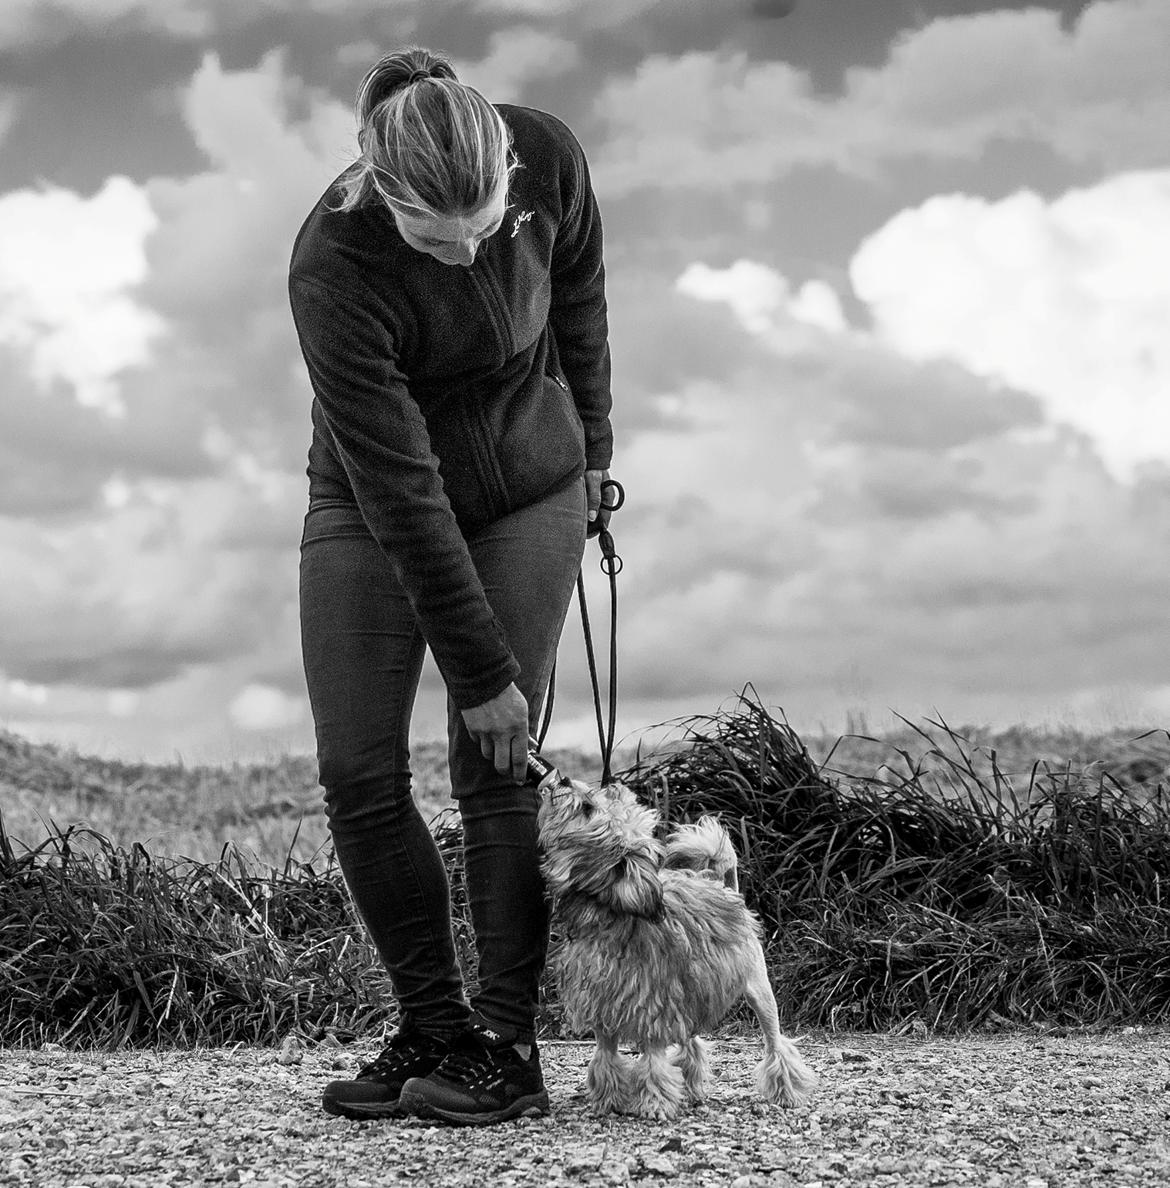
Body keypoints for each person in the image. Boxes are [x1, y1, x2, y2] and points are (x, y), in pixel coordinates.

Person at [288, 45, 614, 1126]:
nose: (470, 251)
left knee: (494, 762)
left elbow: (580, 305)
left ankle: (507, 1053)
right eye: (440, 237)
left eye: (485, 225)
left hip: (531, 485)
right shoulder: (333, 266)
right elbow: (404, 487)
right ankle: (434, 1030)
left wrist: (597, 454)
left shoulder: (549, 159)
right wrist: (475, 668)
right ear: (382, 193)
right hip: (374, 503)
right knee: (357, 770)